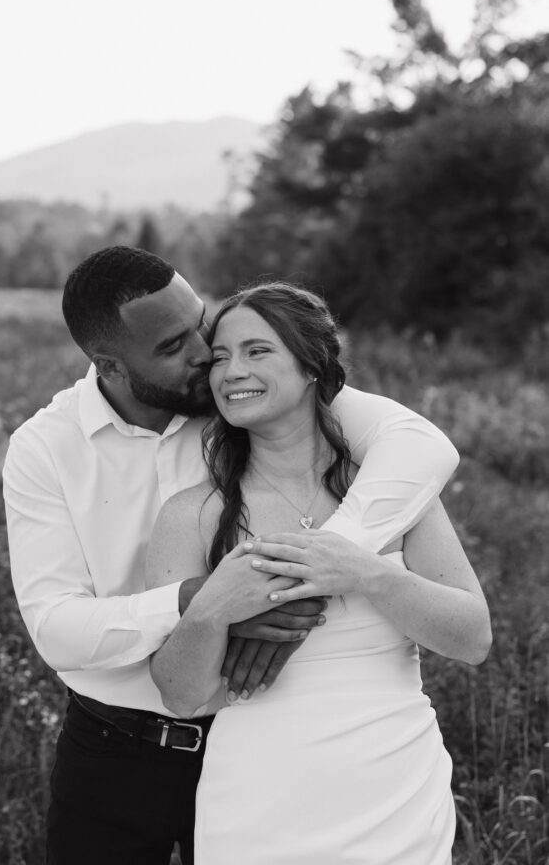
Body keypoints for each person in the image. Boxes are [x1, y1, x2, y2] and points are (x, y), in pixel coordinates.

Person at [3, 247, 461, 865]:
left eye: (202, 323)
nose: (204, 353)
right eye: (172, 347)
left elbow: (420, 445)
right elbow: (57, 628)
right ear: (109, 364)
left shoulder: (247, 395)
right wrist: (204, 602)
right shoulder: (45, 448)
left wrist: (317, 567)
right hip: (117, 745)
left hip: (251, 735)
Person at [146, 281, 492, 865]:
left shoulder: (392, 494)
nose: (232, 371)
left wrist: (365, 573)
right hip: (260, 803)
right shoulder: (191, 515)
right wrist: (213, 607)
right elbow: (181, 696)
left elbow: (473, 638)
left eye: (257, 351)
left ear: (311, 366)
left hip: (396, 786)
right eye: (221, 357)